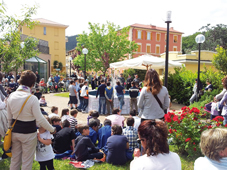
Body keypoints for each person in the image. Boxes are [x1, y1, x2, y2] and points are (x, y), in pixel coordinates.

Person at [7, 70, 55, 170]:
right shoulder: (32, 98)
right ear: (32, 84)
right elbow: (40, 119)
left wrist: (9, 131)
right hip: (28, 133)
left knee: (15, 160)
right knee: (27, 162)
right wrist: (52, 129)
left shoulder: (11, 96)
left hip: (15, 132)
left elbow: (9, 118)